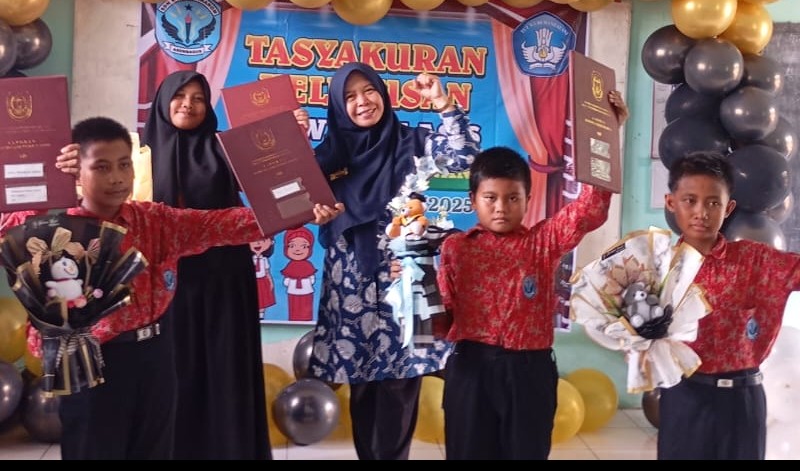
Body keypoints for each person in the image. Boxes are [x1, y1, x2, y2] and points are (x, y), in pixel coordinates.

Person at [0, 116, 343, 460]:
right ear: (76, 172)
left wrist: (302, 210)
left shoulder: (154, 220)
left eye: (124, 165)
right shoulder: (54, 229)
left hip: (156, 356)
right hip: (93, 363)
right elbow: (8, 233)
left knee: (157, 450)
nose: (117, 177)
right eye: (101, 167)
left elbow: (225, 224)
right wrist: (48, 184)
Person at [436, 90, 629, 461]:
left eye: (513, 197)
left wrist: (607, 134)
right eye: (490, 197)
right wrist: (413, 297)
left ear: (527, 200)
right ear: (473, 199)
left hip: (529, 373)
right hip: (471, 370)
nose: (501, 207)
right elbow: (442, 314)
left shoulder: (543, 242)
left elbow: (590, 208)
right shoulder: (455, 248)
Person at [308, 62, 481, 460]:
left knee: (401, 386)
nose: (362, 102)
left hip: (406, 280)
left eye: (368, 90)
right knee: (361, 385)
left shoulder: (413, 143)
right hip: (350, 285)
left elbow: (464, 156)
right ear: (338, 105)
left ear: (383, 93)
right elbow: (292, 202)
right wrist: (313, 211)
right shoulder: (326, 156)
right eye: (349, 96)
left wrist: (442, 102)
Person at [142, 70, 297, 459]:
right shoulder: (138, 156)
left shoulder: (227, 147)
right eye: (180, 96)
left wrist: (290, 141)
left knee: (224, 368)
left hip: (223, 280)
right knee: (173, 371)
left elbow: (278, 185)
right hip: (165, 288)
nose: (188, 105)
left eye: (198, 98)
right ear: (163, 101)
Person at [658, 151, 800, 460]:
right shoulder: (657, 269)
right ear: (671, 202)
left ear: (729, 207)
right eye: (690, 200)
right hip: (683, 397)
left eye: (713, 203)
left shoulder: (755, 260)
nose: (701, 212)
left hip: (742, 402)